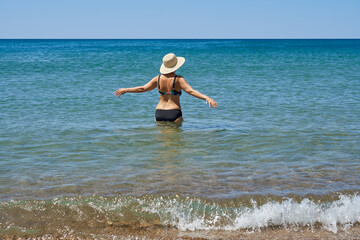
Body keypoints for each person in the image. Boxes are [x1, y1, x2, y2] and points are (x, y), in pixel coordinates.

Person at [114, 53, 218, 123]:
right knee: (175, 143)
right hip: (174, 113)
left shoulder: (157, 79)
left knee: (163, 144)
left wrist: (125, 89)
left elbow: (143, 88)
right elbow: (190, 91)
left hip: (159, 112)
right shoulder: (178, 79)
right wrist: (207, 98)